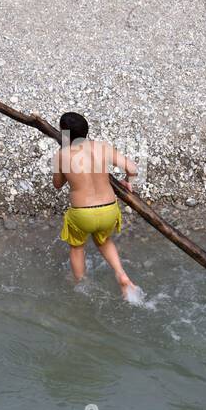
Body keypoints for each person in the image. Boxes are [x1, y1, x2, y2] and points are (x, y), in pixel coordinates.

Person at [50, 112, 140, 298]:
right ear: (86, 130)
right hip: (109, 209)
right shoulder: (102, 148)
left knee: (77, 247)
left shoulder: (61, 155)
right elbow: (133, 168)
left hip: (82, 214)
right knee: (104, 240)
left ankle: (80, 286)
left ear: (64, 134)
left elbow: (57, 185)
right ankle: (121, 275)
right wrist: (127, 181)